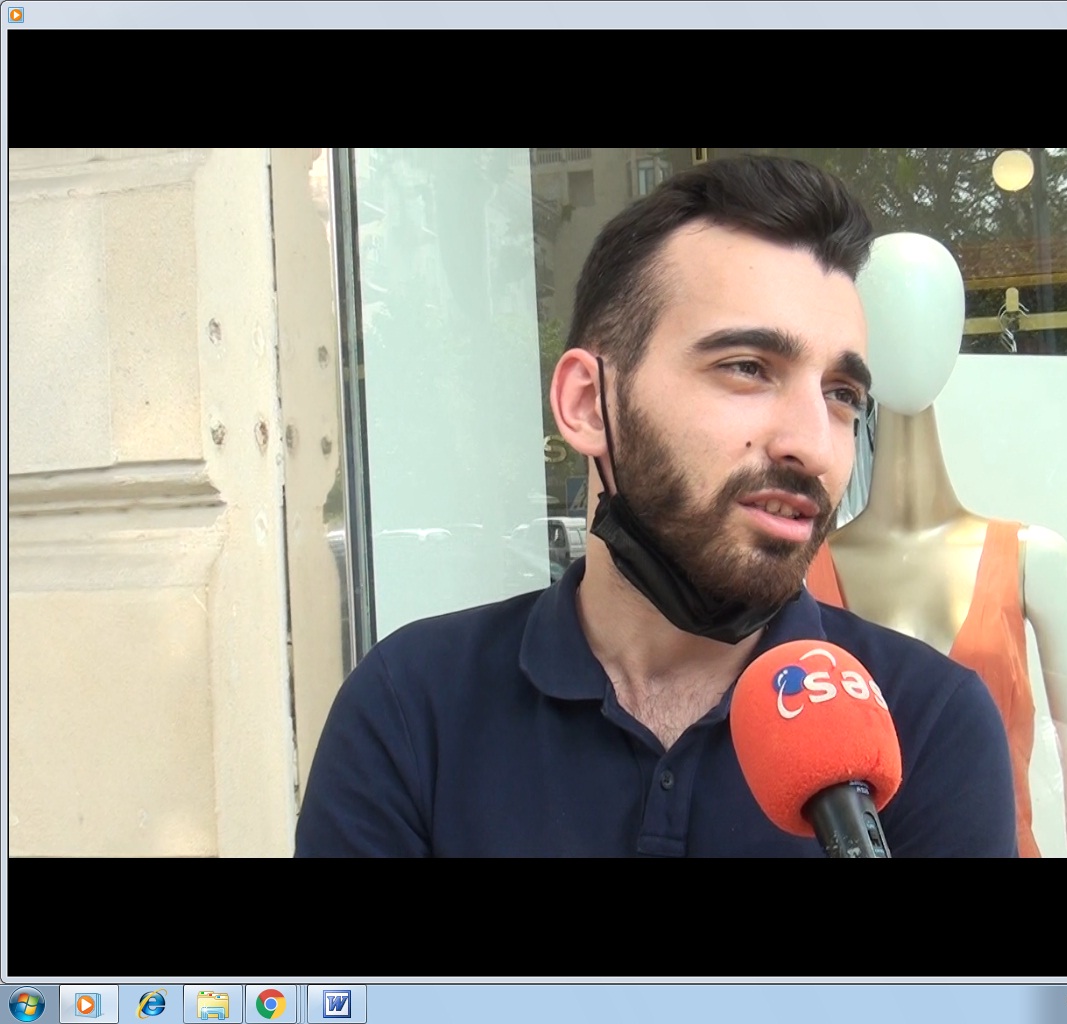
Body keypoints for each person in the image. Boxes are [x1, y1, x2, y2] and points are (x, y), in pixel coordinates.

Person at [295, 156, 1017, 857]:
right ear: (589, 404)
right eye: (747, 368)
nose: (814, 445)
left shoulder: (928, 725)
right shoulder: (412, 707)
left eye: (841, 395)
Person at [808, 232, 1067, 858]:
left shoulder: (1034, 560)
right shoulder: (802, 574)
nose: (910, 336)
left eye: (930, 311)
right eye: (888, 314)